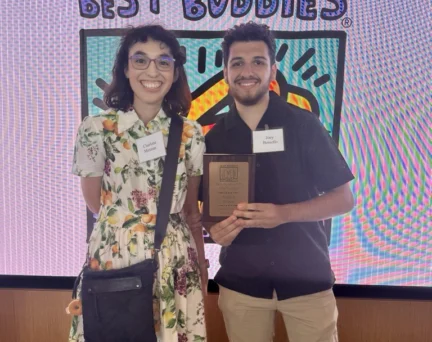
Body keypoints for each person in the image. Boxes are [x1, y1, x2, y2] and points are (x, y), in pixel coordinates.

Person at [202, 22, 355, 342]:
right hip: (242, 284)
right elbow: (208, 210)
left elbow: (344, 198)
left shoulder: (304, 125)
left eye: (258, 61)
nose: (247, 71)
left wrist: (284, 214)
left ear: (273, 69)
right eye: (237, 63)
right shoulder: (214, 138)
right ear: (226, 72)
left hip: (307, 280)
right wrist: (214, 230)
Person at [68, 24, 207, 342]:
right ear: (126, 69)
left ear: (174, 72)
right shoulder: (97, 128)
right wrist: (132, 227)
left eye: (163, 61)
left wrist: (201, 262)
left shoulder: (190, 133)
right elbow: (94, 201)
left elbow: (190, 210)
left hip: (174, 260)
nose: (152, 70)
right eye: (140, 60)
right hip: (116, 255)